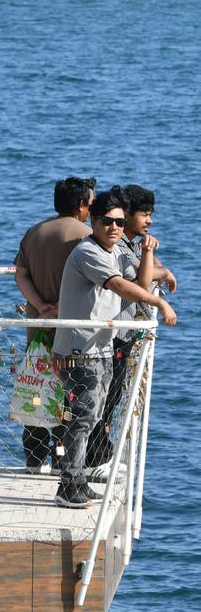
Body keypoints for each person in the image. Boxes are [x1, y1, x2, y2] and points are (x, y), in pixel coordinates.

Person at [52, 188, 177, 508]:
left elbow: (139, 282)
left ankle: (76, 479)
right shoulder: (87, 251)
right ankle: (68, 486)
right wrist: (158, 302)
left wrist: (152, 262)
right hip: (79, 349)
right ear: (93, 221)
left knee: (90, 417)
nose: (114, 228)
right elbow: (120, 286)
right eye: (106, 221)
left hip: (101, 347)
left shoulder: (117, 252)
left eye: (120, 223)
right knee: (82, 417)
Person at [85, 184, 178, 476]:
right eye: (145, 215)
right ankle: (93, 460)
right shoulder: (118, 247)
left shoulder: (126, 245)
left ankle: (99, 453)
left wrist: (153, 263)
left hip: (122, 332)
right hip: (112, 332)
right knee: (104, 396)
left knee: (110, 396)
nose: (149, 221)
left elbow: (144, 272)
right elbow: (139, 283)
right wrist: (157, 269)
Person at [13, 176, 96, 472]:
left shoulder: (35, 232)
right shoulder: (86, 236)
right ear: (83, 205)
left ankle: (34, 460)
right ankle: (63, 462)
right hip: (71, 332)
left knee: (36, 391)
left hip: (37, 327)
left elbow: (20, 274)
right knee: (71, 398)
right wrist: (60, 307)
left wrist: (40, 306)